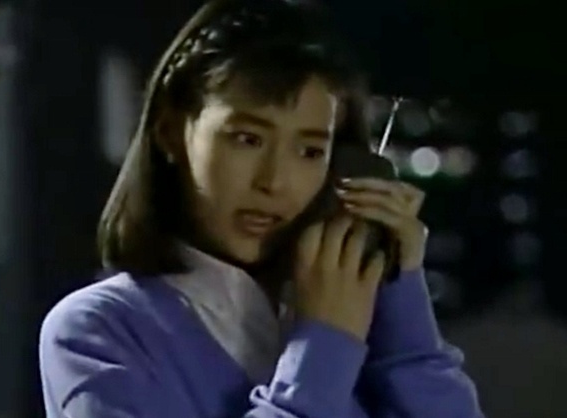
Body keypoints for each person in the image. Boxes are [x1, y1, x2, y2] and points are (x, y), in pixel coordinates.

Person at [39, 0, 484, 417]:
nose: (274, 182)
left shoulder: (361, 327)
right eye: (247, 139)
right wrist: (323, 346)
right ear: (171, 132)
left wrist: (399, 308)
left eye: (310, 151)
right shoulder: (97, 331)